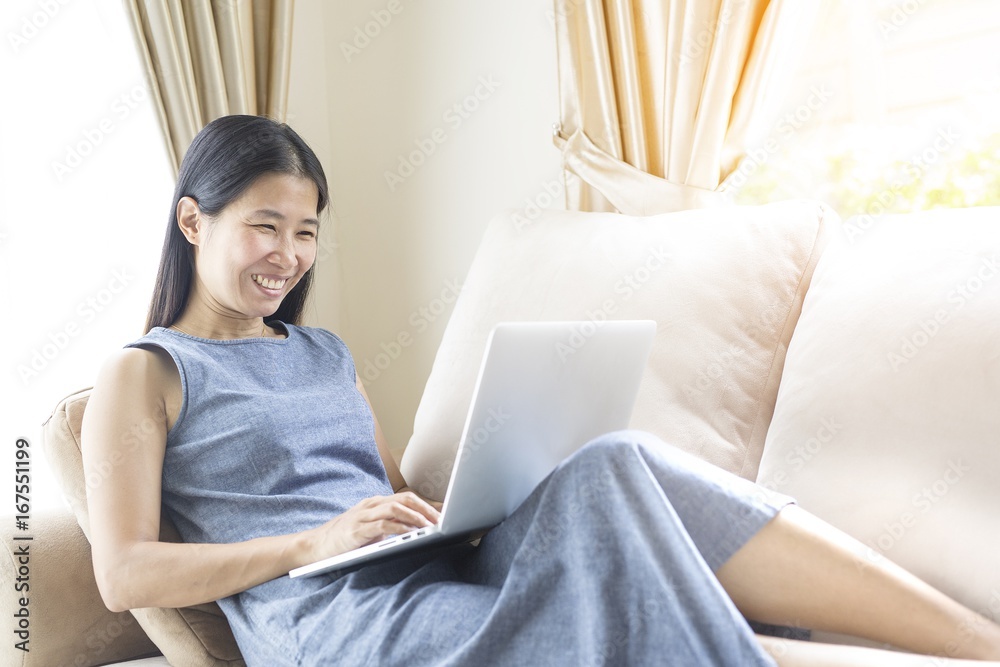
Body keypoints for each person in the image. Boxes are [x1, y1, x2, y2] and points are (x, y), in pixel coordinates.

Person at [82, 114, 1000, 667]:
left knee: (612, 462)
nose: (288, 255)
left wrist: (457, 504)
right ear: (194, 221)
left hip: (412, 566)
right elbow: (125, 574)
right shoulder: (145, 370)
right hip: (328, 619)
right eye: (264, 226)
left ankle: (975, 641)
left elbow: (383, 490)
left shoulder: (325, 352)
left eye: (307, 231)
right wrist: (310, 542)